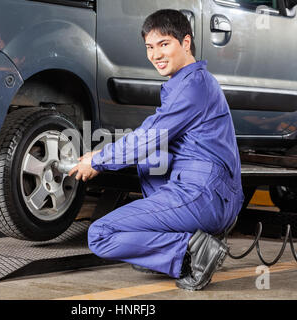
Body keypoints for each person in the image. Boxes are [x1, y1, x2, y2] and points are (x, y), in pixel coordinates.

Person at [68, 9, 244, 291]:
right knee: (151, 160)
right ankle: (168, 249)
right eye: (150, 47)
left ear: (186, 43)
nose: (156, 55)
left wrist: (98, 160)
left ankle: (192, 248)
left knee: (100, 234)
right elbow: (148, 140)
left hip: (203, 194)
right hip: (212, 193)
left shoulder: (192, 87)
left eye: (164, 44)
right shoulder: (190, 83)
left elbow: (147, 138)